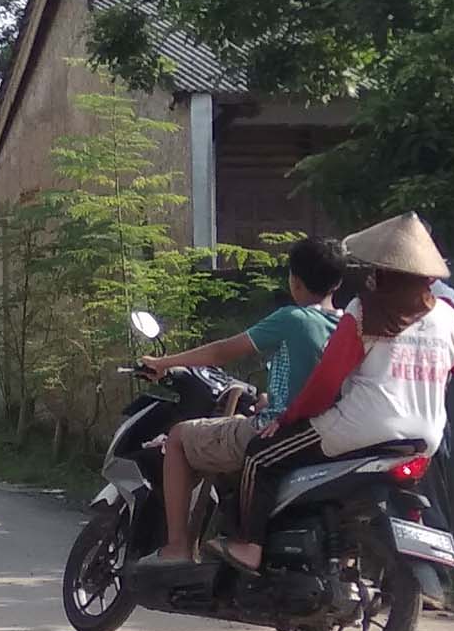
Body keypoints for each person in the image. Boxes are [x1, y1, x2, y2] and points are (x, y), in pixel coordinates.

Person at [225, 212, 454, 570]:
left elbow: (325, 383)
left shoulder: (363, 311)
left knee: (260, 456)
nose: (368, 274)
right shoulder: (444, 316)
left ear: (385, 271)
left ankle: (250, 546)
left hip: (359, 429)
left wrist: (288, 419)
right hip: (422, 438)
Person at [134, 235, 344, 564]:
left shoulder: (293, 318)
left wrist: (162, 363)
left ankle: (176, 549)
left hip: (275, 432)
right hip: (321, 432)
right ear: (339, 282)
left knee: (177, 439)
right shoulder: (346, 325)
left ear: (295, 279)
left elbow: (220, 352)